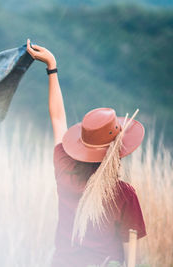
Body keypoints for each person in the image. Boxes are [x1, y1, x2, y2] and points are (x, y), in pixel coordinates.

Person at [26, 39, 146, 267]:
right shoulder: (123, 195)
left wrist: (52, 66)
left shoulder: (64, 167)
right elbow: (133, 259)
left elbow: (58, 118)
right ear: (117, 152)